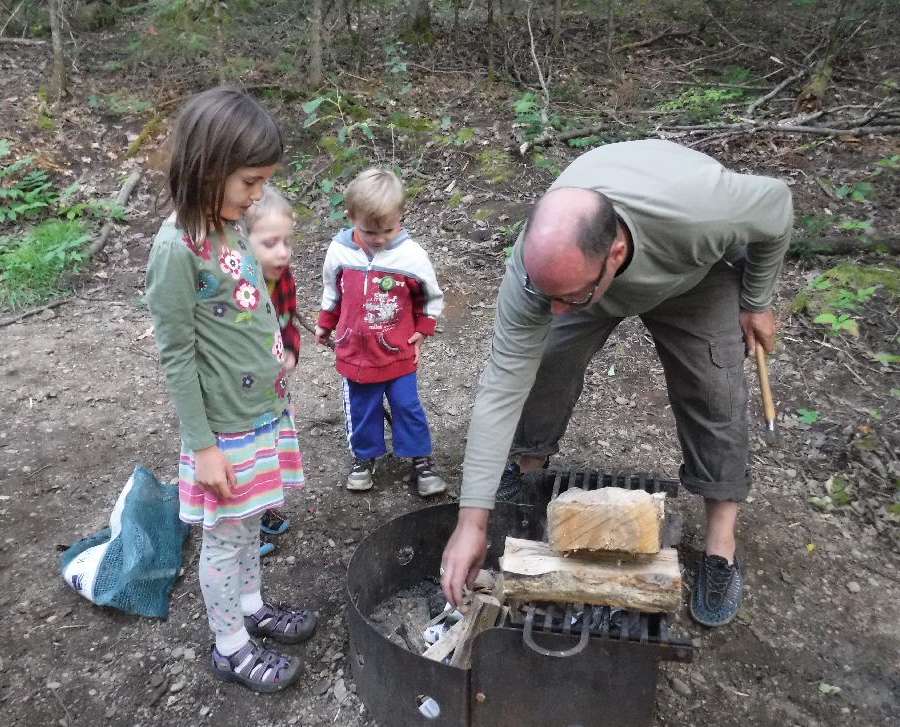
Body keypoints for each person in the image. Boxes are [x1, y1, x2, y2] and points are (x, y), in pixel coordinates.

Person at [440, 139, 792, 628]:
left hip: (693, 271)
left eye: (566, 297)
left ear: (616, 253)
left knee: (714, 385)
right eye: (548, 296)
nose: (555, 310)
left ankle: (721, 546)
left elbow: (777, 205)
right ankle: (527, 469)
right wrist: (470, 522)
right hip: (587, 275)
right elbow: (501, 387)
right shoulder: (542, 265)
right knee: (545, 359)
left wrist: (757, 298)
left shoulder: (702, 213)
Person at [145, 87, 317, 694]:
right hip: (223, 430)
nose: (256, 196)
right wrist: (204, 444)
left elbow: (254, 309)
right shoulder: (175, 250)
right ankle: (230, 648)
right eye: (249, 182)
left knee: (248, 525)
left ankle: (250, 606)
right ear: (207, 166)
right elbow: (178, 353)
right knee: (223, 537)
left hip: (260, 414)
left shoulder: (228, 229)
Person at [314, 168, 446, 497]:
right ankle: (365, 457)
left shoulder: (411, 256)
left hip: (396, 351)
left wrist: (424, 328)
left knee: (406, 405)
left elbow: (429, 296)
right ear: (351, 217)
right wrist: (325, 322)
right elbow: (332, 292)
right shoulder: (339, 251)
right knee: (361, 408)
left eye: (388, 229)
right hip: (355, 354)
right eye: (370, 231)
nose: (380, 238)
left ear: (400, 216)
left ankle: (420, 459)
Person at [245, 185, 300, 552]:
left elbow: (288, 318)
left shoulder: (282, 277)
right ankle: (249, 527)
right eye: (269, 243)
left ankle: (264, 513)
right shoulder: (239, 283)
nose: (281, 252)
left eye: (286, 242)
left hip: (273, 387)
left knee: (271, 448)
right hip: (242, 395)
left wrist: (291, 351)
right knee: (248, 457)